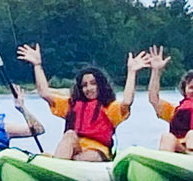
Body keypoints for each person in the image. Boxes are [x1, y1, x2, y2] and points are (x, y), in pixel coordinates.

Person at [17, 45, 147, 160]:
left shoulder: (109, 108)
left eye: (93, 84)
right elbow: (45, 93)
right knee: (69, 134)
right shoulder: (72, 105)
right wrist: (37, 66)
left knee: (89, 155)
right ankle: (57, 167)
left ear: (100, 85)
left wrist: (132, 72)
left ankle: (63, 165)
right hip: (74, 149)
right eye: (84, 85)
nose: (89, 88)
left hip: (98, 152)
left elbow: (127, 101)